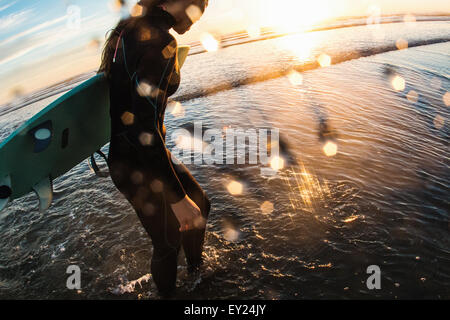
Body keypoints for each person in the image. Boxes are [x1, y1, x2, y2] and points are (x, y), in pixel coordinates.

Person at [98, 0, 210, 297]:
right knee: (168, 241)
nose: (202, 12)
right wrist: (176, 199)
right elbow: (143, 127)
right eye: (201, 3)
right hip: (137, 159)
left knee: (200, 203)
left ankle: (197, 276)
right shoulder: (161, 41)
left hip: (137, 152)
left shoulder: (130, 30)